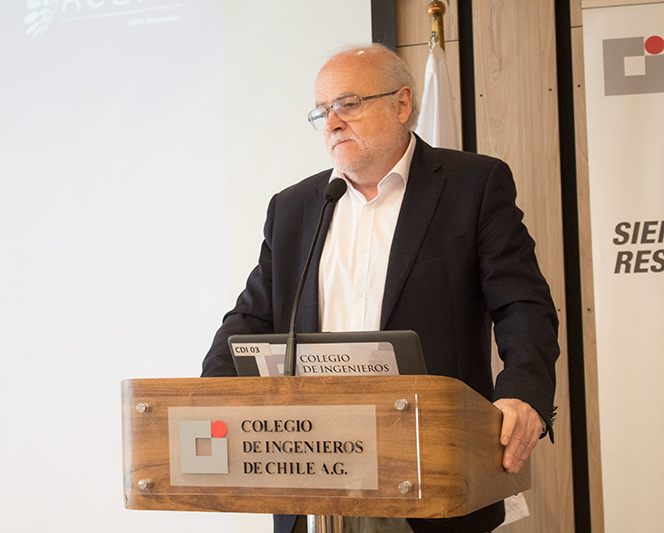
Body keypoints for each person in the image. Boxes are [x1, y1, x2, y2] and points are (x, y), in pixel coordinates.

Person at [201, 43, 559, 533]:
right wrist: (204, 397)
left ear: (402, 103)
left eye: (347, 104)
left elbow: (523, 304)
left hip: (432, 468)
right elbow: (252, 317)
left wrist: (524, 392)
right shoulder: (295, 207)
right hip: (310, 473)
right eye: (321, 112)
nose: (332, 123)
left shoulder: (471, 186)